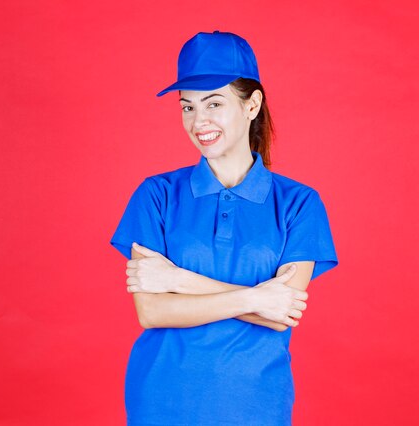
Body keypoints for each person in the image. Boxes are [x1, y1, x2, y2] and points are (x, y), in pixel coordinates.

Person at [110, 30, 338, 426]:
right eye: (187, 107)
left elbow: (280, 314)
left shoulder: (299, 204)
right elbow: (151, 311)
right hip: (161, 399)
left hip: (255, 402)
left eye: (214, 103)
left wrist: (180, 279)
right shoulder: (157, 195)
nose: (199, 122)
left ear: (253, 105)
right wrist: (256, 298)